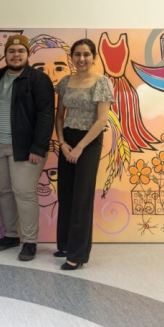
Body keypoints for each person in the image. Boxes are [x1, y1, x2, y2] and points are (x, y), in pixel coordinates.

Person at [0, 35, 54, 261]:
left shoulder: (38, 79)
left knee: (24, 194)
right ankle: (11, 235)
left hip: (25, 148)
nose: (16, 55)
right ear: (5, 54)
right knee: (4, 192)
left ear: (28, 54)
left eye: (20, 51)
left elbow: (46, 115)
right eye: (12, 51)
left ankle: (30, 241)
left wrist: (38, 147)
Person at [54, 38, 113, 270]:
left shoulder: (102, 82)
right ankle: (66, 244)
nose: (81, 59)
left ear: (94, 57)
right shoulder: (65, 82)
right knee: (66, 193)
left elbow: (101, 120)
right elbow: (60, 116)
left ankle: (77, 255)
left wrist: (80, 147)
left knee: (82, 197)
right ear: (72, 57)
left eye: (86, 54)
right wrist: (62, 143)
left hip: (89, 141)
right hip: (67, 140)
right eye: (77, 54)